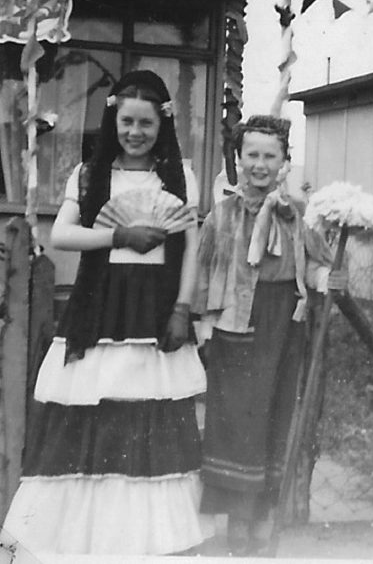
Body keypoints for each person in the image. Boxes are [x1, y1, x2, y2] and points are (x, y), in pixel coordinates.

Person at [2, 70, 213, 555]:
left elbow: (191, 248)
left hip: (154, 305)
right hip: (101, 305)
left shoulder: (180, 178)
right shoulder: (89, 175)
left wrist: (182, 309)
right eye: (126, 122)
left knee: (146, 413)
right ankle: (81, 537)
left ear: (162, 126)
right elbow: (61, 236)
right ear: (113, 120)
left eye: (145, 124)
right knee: (92, 411)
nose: (135, 133)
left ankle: (142, 539)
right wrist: (119, 236)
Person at [193, 114, 340, 556]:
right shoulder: (221, 214)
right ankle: (237, 518)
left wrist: (323, 279)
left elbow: (316, 264)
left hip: (283, 322)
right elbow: (202, 272)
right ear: (237, 160)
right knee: (236, 420)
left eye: (269, 156)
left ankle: (264, 516)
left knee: (276, 415)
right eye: (251, 155)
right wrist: (202, 324)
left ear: (284, 162)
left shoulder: (298, 214)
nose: (259, 164)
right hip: (234, 322)